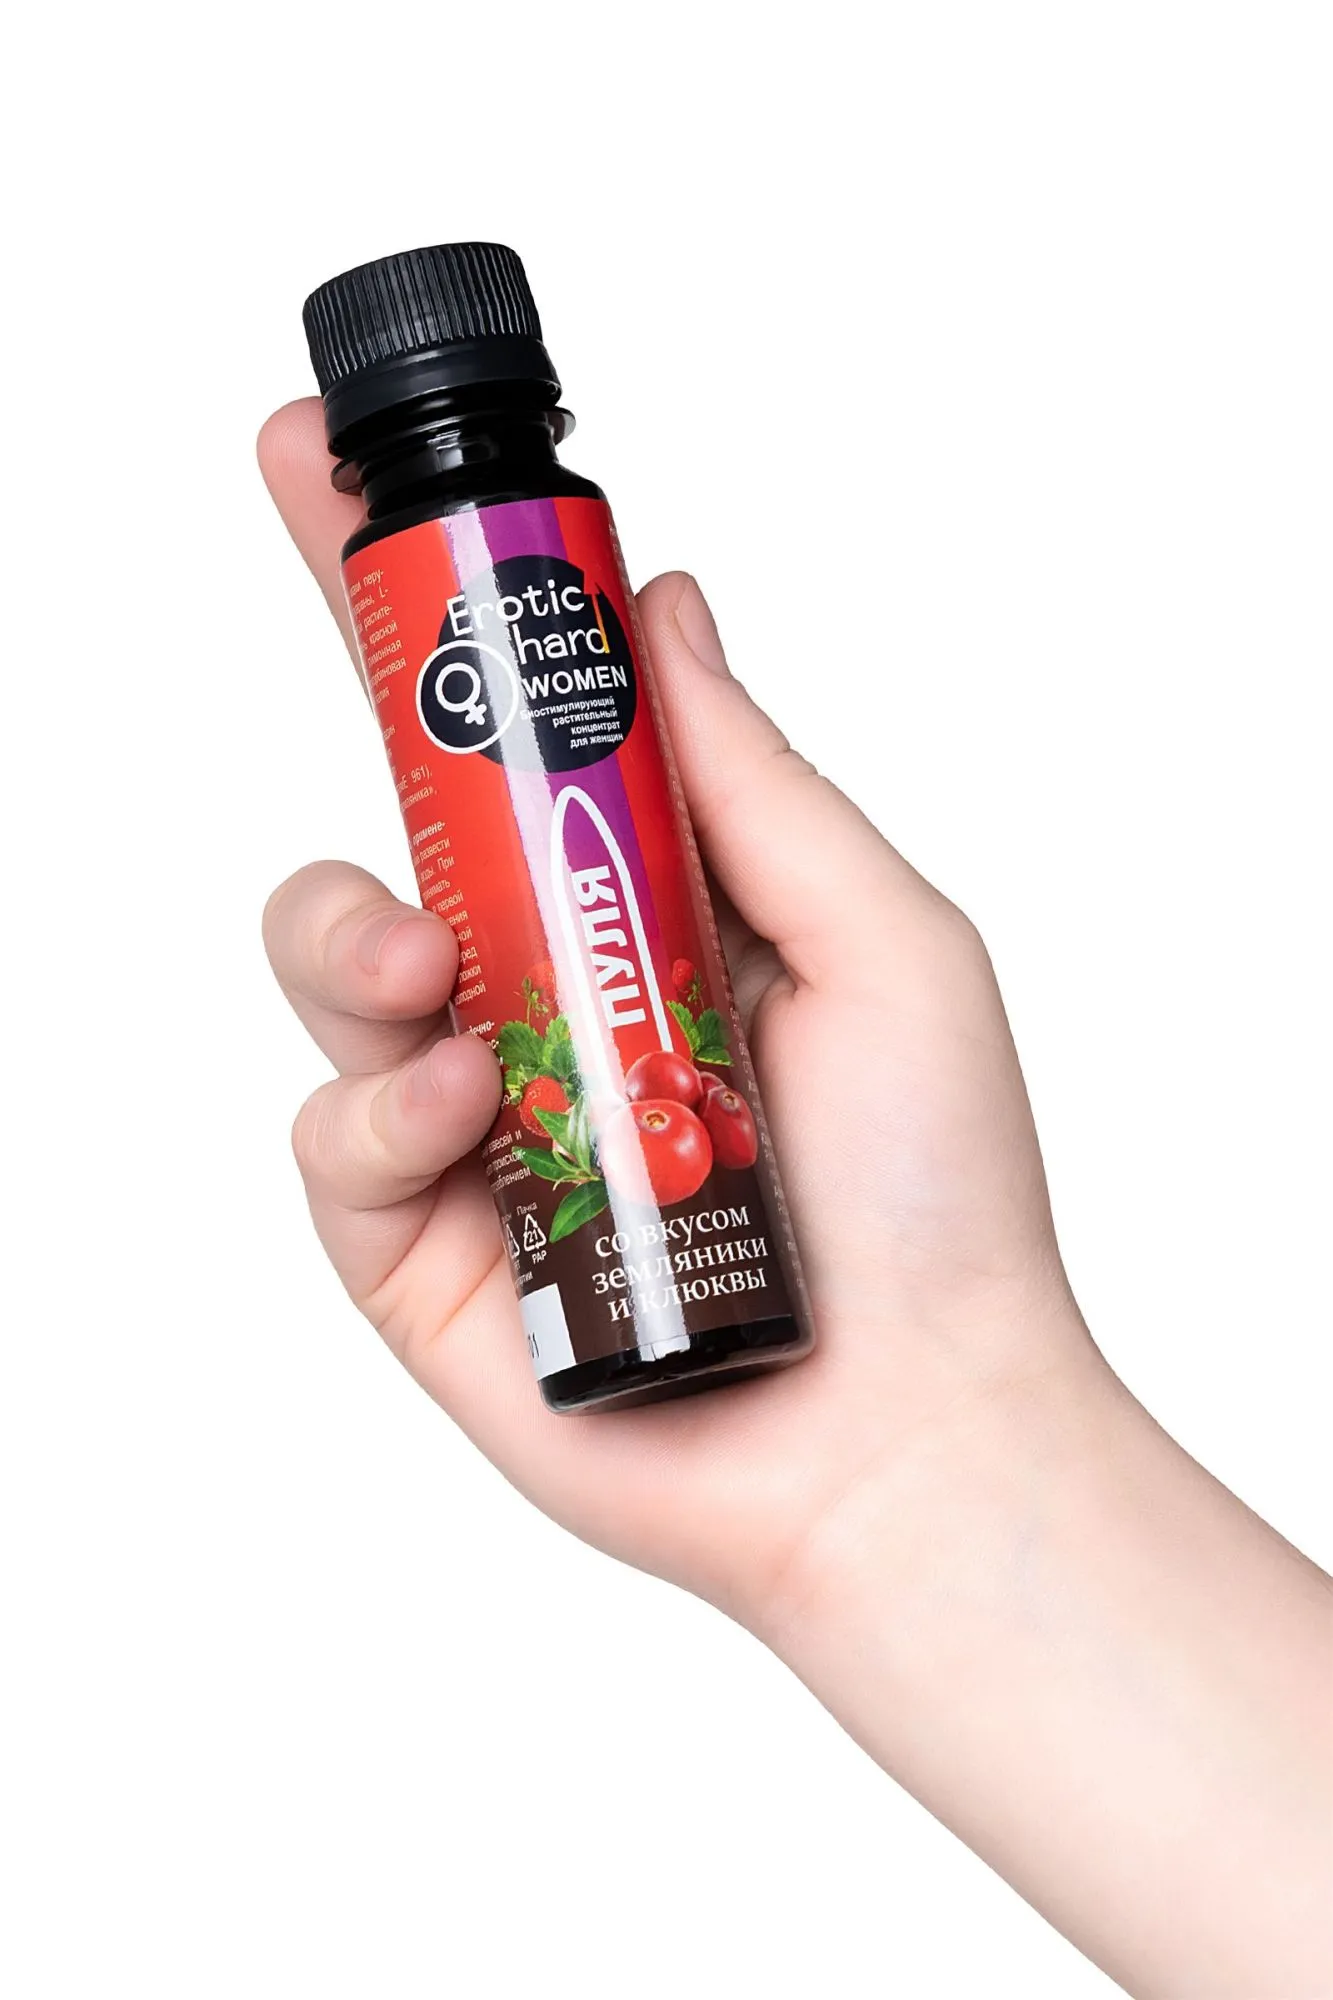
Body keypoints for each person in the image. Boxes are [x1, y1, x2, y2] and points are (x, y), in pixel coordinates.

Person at [257, 398, 1332, 1999]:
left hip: (737, 1202)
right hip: (615, 1227)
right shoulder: (448, 558)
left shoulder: (552, 522)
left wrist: (951, 1430)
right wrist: (928, 1475)